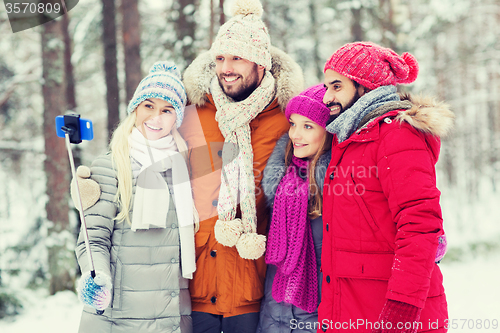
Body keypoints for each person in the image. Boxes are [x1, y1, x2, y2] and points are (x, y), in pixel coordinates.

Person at [178, 0, 304, 331]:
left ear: (261, 64)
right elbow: (144, 145)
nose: (226, 68)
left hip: (253, 279)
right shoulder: (194, 111)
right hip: (197, 282)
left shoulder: (287, 119)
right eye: (220, 58)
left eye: (237, 58)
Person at [318, 42, 453, 333]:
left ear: (365, 87)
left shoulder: (398, 136)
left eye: (337, 86)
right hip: (353, 308)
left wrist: (402, 307)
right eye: (326, 86)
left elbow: (420, 223)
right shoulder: (351, 138)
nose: (327, 96)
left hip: (394, 314)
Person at [75, 61, 197, 333]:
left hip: (171, 316)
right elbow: (92, 238)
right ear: (135, 109)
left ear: (176, 118)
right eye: (148, 106)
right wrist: (98, 278)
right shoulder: (110, 166)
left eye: (167, 110)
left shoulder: (184, 169)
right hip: (119, 316)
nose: (156, 117)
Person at [256, 84, 332, 333]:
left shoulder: (338, 189)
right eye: (293, 123)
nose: (295, 134)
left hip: (318, 320)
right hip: (273, 317)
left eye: (308, 126)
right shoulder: (280, 184)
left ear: (328, 132)